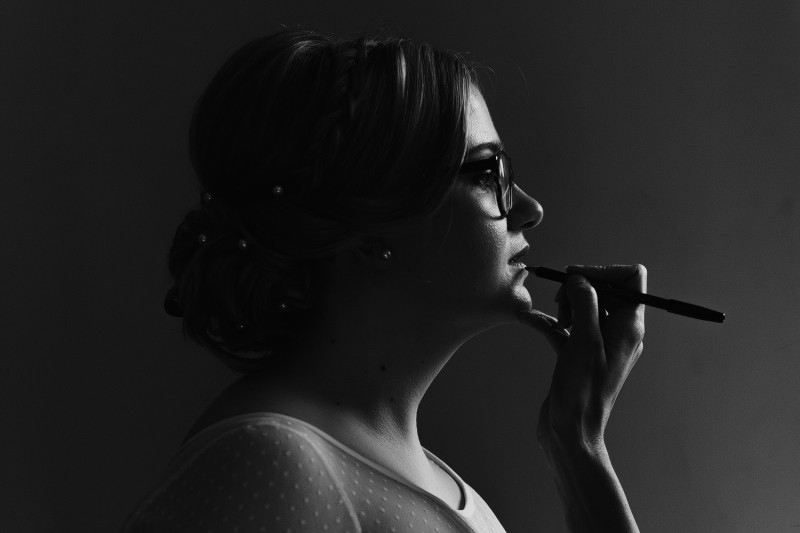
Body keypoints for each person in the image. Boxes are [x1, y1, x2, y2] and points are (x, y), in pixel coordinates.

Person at [122, 29, 646, 533]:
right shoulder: (269, 464)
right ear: (375, 225)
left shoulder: (438, 487)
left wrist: (577, 445)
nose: (530, 210)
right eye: (488, 174)